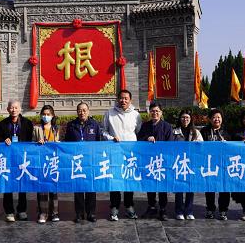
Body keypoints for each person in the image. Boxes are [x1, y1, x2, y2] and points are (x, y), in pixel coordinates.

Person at [102, 89, 142, 221]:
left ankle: (129, 206)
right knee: (115, 180)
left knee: (129, 180)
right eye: (121, 98)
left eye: (126, 98)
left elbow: (138, 132)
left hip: (130, 154)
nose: (123, 100)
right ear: (117, 99)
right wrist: (111, 138)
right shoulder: (109, 113)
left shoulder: (136, 115)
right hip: (114, 153)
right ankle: (114, 207)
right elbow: (103, 131)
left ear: (130, 100)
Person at [0, 99, 34, 222]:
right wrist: (4, 140)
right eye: (11, 108)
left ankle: (22, 210)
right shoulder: (1, 124)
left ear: (20, 109)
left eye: (16, 108)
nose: (14, 110)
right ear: (7, 109)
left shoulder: (28, 123)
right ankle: (9, 211)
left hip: (22, 158)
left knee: (22, 184)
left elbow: (30, 140)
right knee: (8, 185)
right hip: (8, 159)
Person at [65, 102, 103, 223]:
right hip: (77, 161)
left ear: (88, 111)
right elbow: (67, 142)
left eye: (84, 110)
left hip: (91, 161)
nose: (82, 112)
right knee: (79, 188)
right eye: (80, 110)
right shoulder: (71, 125)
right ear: (77, 112)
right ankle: (79, 213)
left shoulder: (94, 124)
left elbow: (99, 141)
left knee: (91, 187)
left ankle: (91, 213)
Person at [137, 102, 173, 221]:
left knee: (162, 186)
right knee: (150, 184)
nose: (155, 113)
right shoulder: (145, 125)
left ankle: (163, 209)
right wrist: (147, 138)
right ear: (149, 112)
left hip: (162, 160)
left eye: (157, 111)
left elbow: (170, 143)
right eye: (152, 111)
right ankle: (151, 206)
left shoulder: (167, 126)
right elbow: (139, 139)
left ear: (161, 113)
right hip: (149, 160)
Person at [200, 108, 231, 220]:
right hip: (209, 163)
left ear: (222, 119)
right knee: (210, 187)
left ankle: (223, 210)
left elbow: (233, 148)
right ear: (210, 119)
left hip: (223, 164)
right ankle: (210, 209)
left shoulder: (227, 132)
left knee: (224, 188)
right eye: (214, 117)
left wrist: (227, 143)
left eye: (218, 117)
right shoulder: (204, 131)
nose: (216, 119)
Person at [172, 109, 202, 220]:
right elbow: (170, 146)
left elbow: (202, 147)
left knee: (190, 188)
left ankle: (189, 211)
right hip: (179, 163)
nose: (185, 119)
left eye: (187, 118)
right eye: (183, 117)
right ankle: (179, 211)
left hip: (191, 163)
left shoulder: (196, 132)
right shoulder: (174, 131)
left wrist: (197, 144)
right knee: (179, 187)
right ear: (180, 119)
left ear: (191, 119)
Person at [32, 105, 60, 224]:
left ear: (52, 115)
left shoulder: (56, 129)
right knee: (42, 188)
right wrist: (37, 143)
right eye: (44, 114)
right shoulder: (37, 128)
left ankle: (54, 213)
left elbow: (59, 144)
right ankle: (43, 213)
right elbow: (31, 143)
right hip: (41, 162)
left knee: (54, 188)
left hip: (53, 162)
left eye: (48, 114)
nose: (46, 116)